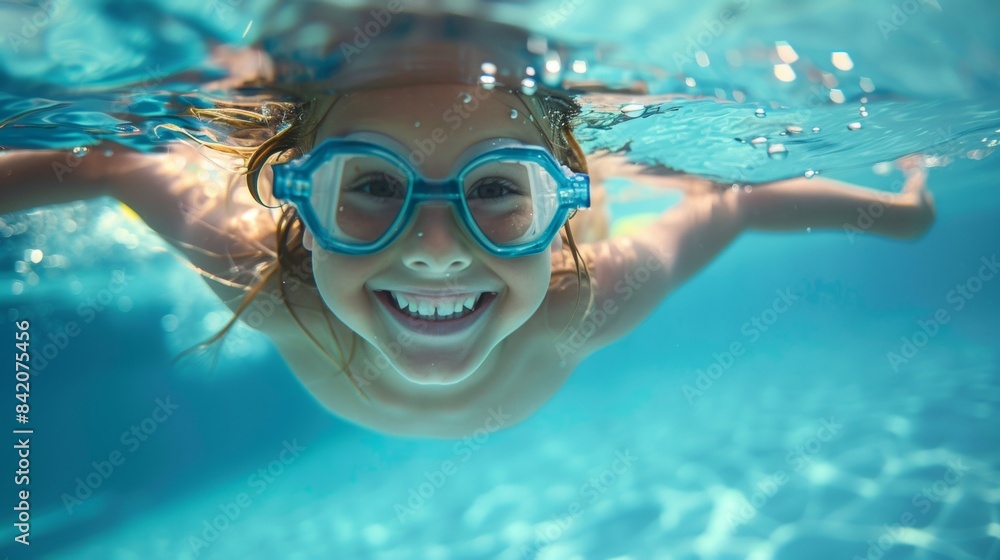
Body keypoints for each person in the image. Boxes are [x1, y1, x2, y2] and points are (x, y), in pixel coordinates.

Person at [0, 40, 935, 438]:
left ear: (563, 198)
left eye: (498, 189)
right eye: (369, 187)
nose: (435, 247)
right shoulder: (272, 279)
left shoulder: (583, 298)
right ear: (297, 200)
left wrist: (905, 209)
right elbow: (119, 165)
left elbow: (731, 206)